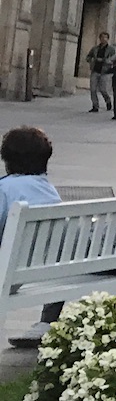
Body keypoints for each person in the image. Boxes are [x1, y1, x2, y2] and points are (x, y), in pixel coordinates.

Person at [2, 127, 66, 346]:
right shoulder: (48, 190)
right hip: (47, 273)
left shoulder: (4, 188)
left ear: (7, 159)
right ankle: (47, 322)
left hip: (9, 274)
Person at [84, 31, 114, 114]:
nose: (103, 39)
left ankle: (108, 101)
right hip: (95, 70)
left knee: (103, 89)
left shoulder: (111, 49)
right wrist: (92, 60)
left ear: (108, 39)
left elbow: (113, 59)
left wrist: (105, 61)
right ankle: (95, 106)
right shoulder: (95, 48)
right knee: (93, 89)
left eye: (105, 37)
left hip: (105, 71)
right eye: (102, 37)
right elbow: (88, 57)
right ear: (99, 38)